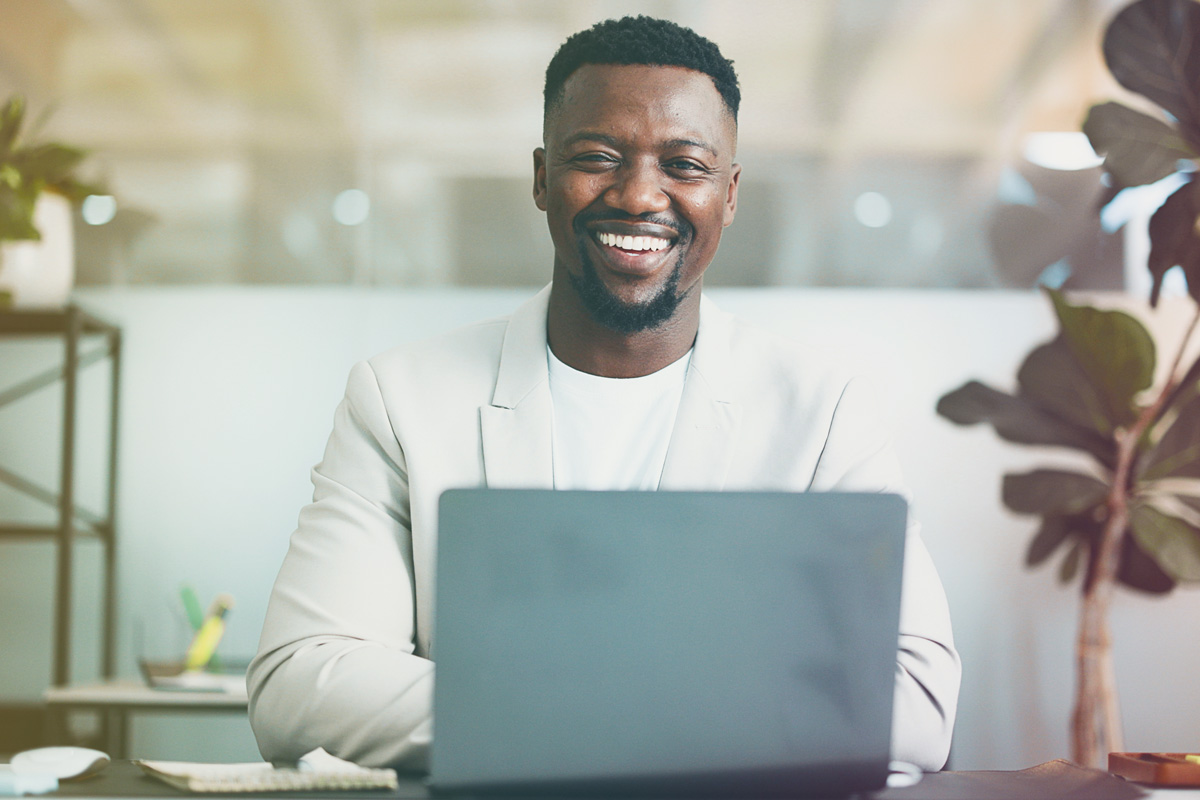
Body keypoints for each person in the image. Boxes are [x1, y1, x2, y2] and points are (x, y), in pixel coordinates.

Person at [247, 15, 960, 774]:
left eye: (684, 165)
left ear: (730, 193)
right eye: (597, 157)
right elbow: (299, 685)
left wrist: (549, 717)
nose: (638, 195)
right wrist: (668, 720)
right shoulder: (400, 400)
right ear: (540, 176)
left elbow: (913, 703)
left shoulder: (822, 414)